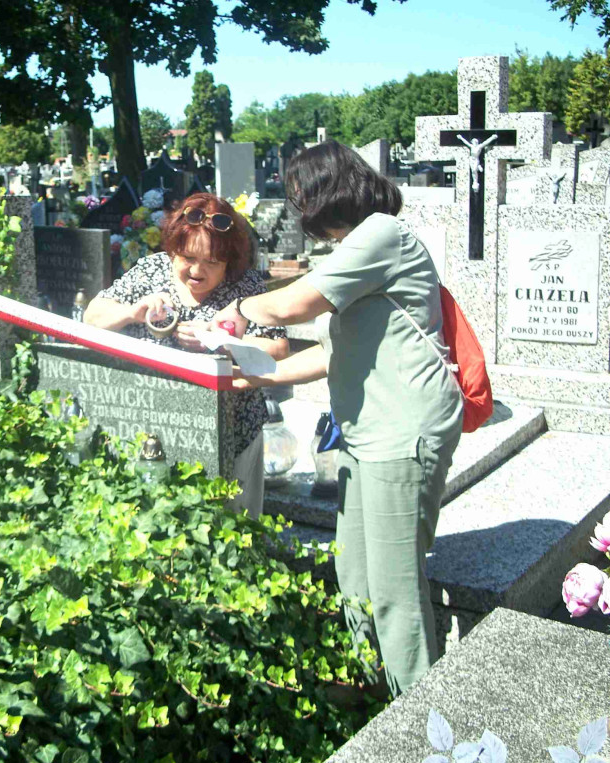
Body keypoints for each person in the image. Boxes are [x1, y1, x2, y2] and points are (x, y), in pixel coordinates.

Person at [213, 140, 463, 696]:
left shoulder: (383, 234)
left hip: (403, 430)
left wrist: (237, 310)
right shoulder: (355, 249)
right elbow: (332, 352)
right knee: (353, 575)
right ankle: (367, 693)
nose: (299, 207)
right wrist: (257, 377)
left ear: (330, 189)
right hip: (364, 432)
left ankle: (423, 725)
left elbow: (294, 305)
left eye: (302, 193)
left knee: (394, 587)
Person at [83, 193, 289, 519]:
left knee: (230, 529)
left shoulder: (246, 285)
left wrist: (221, 342)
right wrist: (132, 313)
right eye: (187, 258)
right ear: (173, 250)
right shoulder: (151, 270)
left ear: (229, 261)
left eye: (212, 262)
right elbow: (92, 315)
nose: (197, 270)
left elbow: (278, 349)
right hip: (154, 428)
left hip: (231, 435)